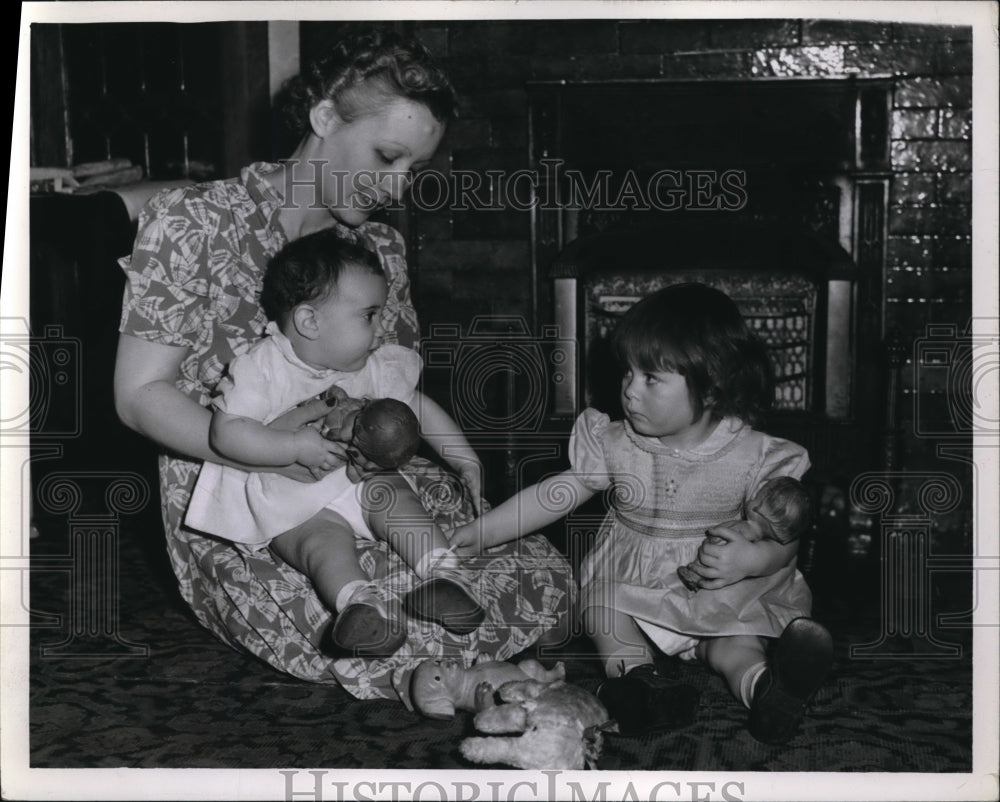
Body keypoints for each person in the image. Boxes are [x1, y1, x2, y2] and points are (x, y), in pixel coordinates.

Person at [113, 28, 572, 702]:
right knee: (362, 614)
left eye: (410, 170)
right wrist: (273, 452)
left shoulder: (377, 246)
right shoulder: (193, 221)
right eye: (386, 157)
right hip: (240, 497)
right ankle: (451, 664)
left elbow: (391, 390)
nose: (396, 187)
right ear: (324, 117)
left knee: (535, 568)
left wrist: (437, 457)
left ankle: (457, 653)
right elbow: (138, 396)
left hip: (369, 481)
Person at [451, 283, 834, 744]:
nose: (630, 391)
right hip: (637, 588)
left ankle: (766, 690)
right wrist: (486, 531)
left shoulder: (752, 454)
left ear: (711, 388)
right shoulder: (615, 442)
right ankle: (638, 685)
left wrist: (754, 561)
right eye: (628, 373)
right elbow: (557, 493)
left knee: (734, 645)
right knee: (601, 606)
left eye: (651, 378)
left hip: (721, 590)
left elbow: (785, 534)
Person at [184, 231, 485, 656]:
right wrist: (290, 447)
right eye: (369, 316)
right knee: (321, 545)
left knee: (395, 496)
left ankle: (444, 576)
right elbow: (227, 431)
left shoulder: (370, 367)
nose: (383, 329)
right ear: (310, 321)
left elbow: (419, 408)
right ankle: (362, 605)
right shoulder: (263, 367)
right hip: (289, 497)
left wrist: (464, 457)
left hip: (360, 482)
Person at [677, 475, 812, 591]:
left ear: (758, 509)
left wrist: (713, 536)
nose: (751, 500)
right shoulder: (759, 536)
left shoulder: (743, 528)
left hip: (714, 560)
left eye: (756, 498)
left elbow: (719, 531)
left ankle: (695, 574)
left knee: (705, 565)